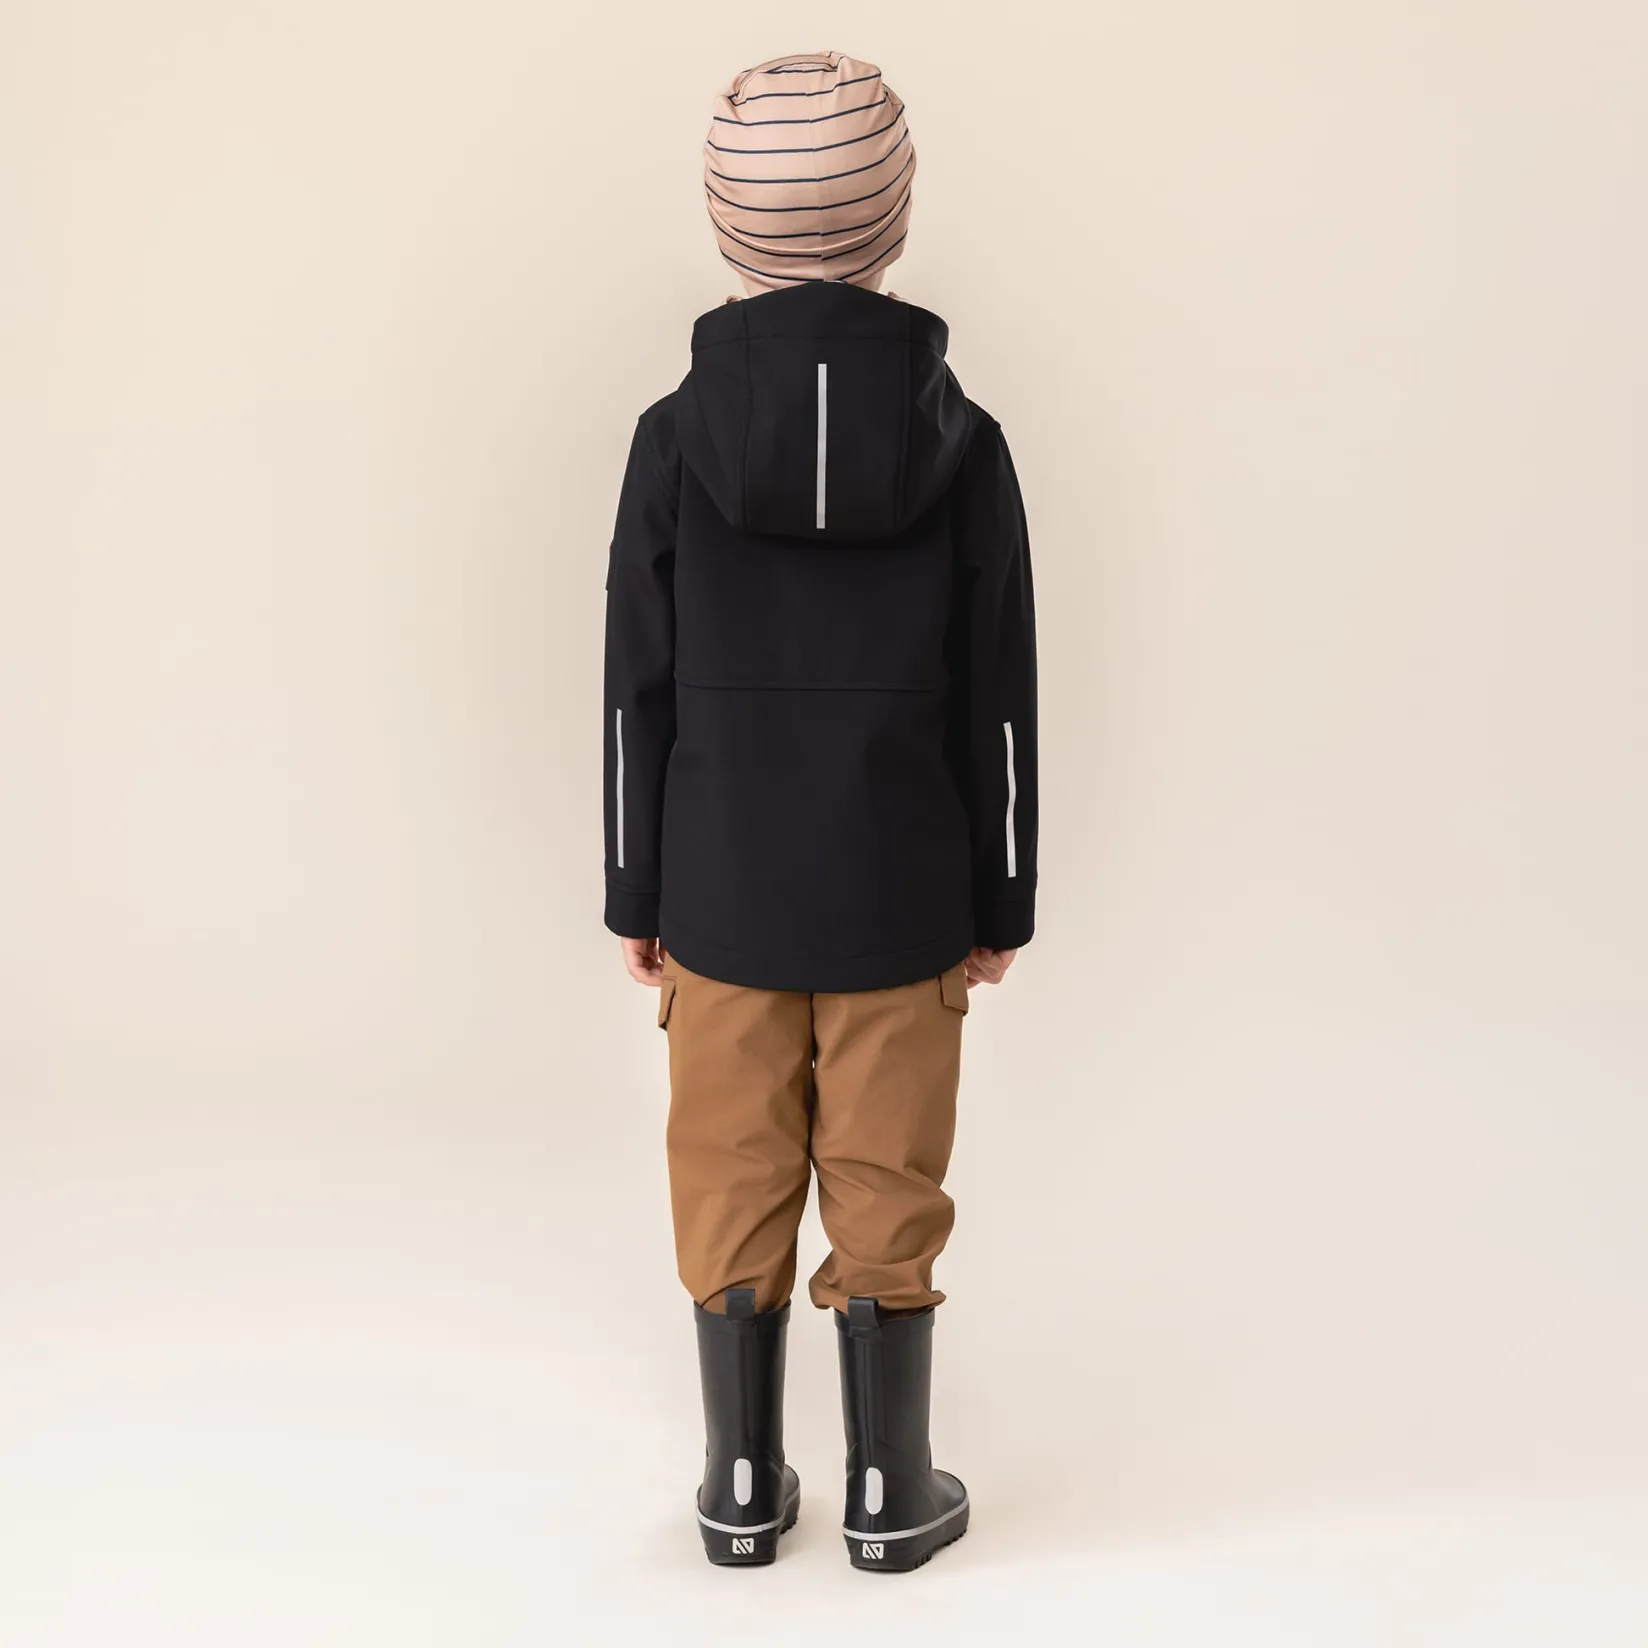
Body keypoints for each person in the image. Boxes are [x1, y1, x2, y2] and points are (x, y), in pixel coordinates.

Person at [601, 50, 1037, 1572]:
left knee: (729, 1170)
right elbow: (1001, 699)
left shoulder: (672, 437)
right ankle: (887, 1490)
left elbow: (635, 691)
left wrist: (635, 890)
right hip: (904, 893)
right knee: (887, 1176)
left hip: (718, 891)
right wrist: (1000, 900)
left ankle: (738, 1484)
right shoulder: (967, 441)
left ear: (727, 222)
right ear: (892, 217)